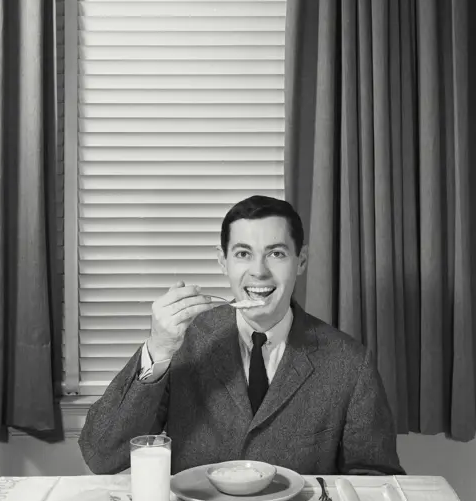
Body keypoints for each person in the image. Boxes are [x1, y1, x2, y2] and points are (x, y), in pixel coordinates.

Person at [79, 195, 404, 476]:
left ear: (301, 260)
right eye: (243, 254)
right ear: (223, 262)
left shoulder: (349, 362)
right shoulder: (185, 342)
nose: (259, 271)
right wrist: (158, 348)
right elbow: (102, 455)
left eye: (276, 253)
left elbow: (375, 480)